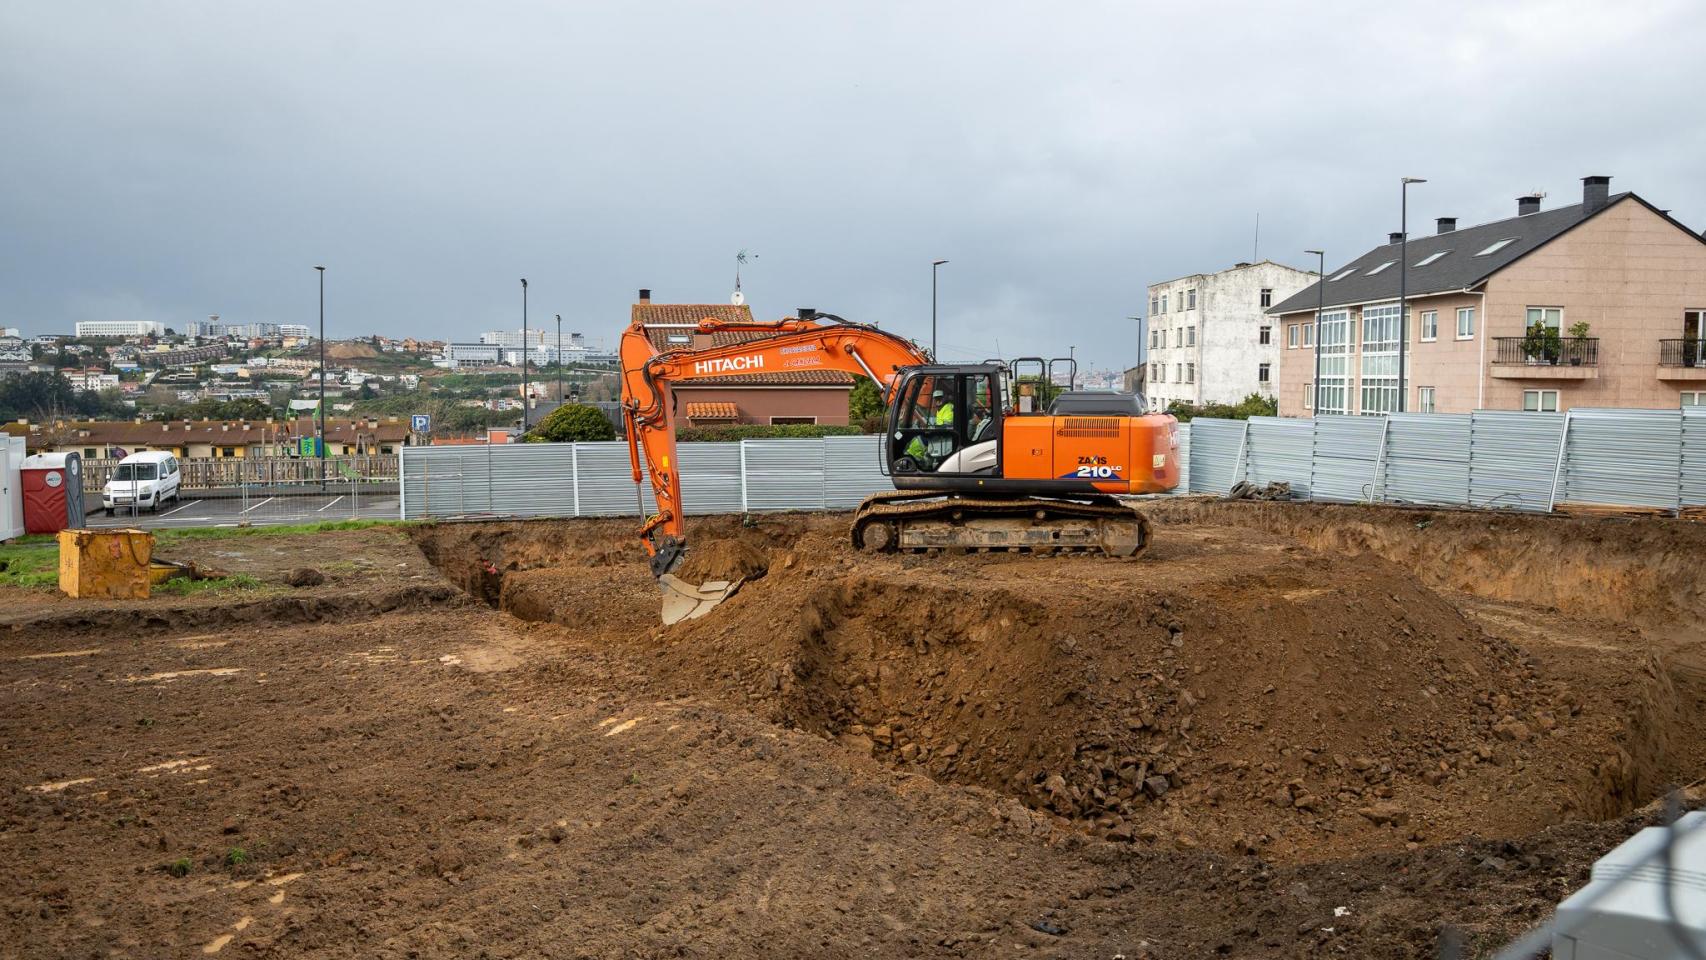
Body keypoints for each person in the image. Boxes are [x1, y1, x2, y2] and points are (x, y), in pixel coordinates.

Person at [905, 386, 955, 465]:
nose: (938, 400)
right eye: (936, 398)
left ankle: (913, 459)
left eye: (940, 398)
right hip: (940, 435)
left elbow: (947, 426)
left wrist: (932, 428)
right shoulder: (941, 409)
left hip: (944, 437)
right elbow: (939, 423)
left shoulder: (948, 408)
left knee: (919, 439)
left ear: (944, 398)